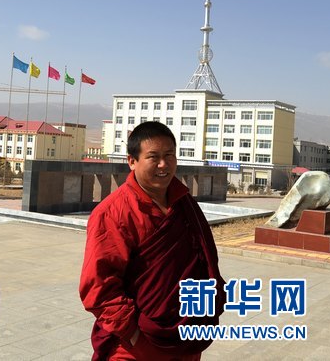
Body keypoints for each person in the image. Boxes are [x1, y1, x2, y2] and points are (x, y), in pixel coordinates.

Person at [79, 121, 225, 360]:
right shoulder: (113, 212)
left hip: (186, 337)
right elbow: (99, 287)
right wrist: (134, 335)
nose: (163, 164)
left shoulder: (183, 202)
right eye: (153, 157)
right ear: (132, 161)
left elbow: (204, 259)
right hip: (135, 346)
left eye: (169, 155)